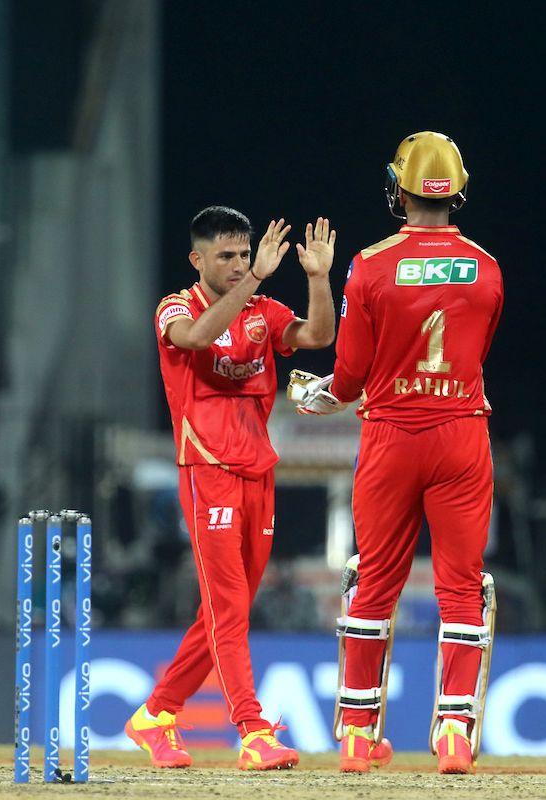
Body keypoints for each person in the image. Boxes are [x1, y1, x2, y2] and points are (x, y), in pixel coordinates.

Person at [290, 132, 503, 774]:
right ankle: (455, 737)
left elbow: (351, 375)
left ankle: (357, 736)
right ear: (456, 189)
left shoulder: (371, 264)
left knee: (374, 583)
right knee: (462, 589)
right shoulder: (487, 266)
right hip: (461, 433)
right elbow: (477, 353)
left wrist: (324, 396)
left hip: (390, 437)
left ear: (399, 190)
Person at [124, 206, 336, 770]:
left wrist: (318, 278)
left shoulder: (263, 310)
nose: (241, 264)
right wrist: (257, 282)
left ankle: (157, 714)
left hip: (258, 470)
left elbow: (318, 334)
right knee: (228, 606)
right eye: (228, 257)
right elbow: (195, 336)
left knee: (228, 608)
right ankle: (252, 729)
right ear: (198, 260)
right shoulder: (175, 307)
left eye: (246, 255)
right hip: (207, 469)